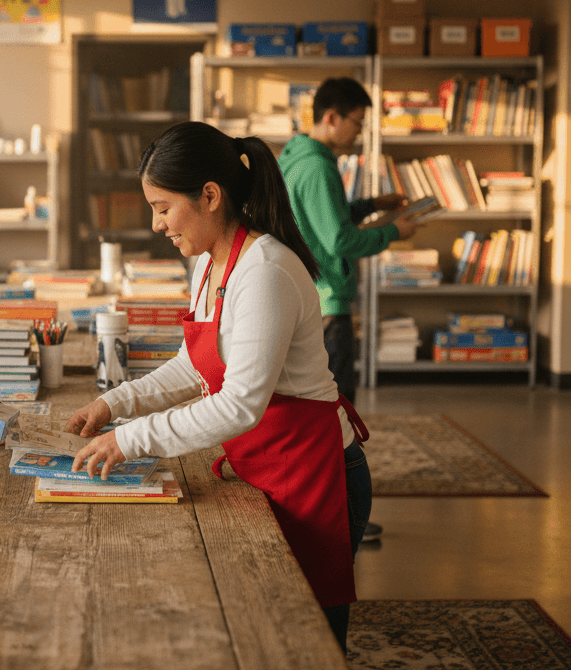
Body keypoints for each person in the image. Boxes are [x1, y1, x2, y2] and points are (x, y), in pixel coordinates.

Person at [65, 121, 371, 652]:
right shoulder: (210, 264)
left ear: (210, 195)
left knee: (308, 644)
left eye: (162, 207)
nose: (157, 224)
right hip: (266, 465)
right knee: (258, 631)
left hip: (315, 473)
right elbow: (193, 366)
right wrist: (113, 404)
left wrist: (130, 439)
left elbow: (239, 405)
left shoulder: (266, 271)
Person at [277, 77, 419, 543]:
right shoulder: (319, 168)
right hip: (328, 301)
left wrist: (371, 206)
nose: (359, 132)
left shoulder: (298, 157)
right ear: (332, 117)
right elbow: (338, 240)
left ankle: (330, 508)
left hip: (310, 296)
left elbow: (327, 218)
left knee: (321, 410)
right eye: (357, 122)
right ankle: (342, 514)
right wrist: (392, 233)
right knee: (336, 415)